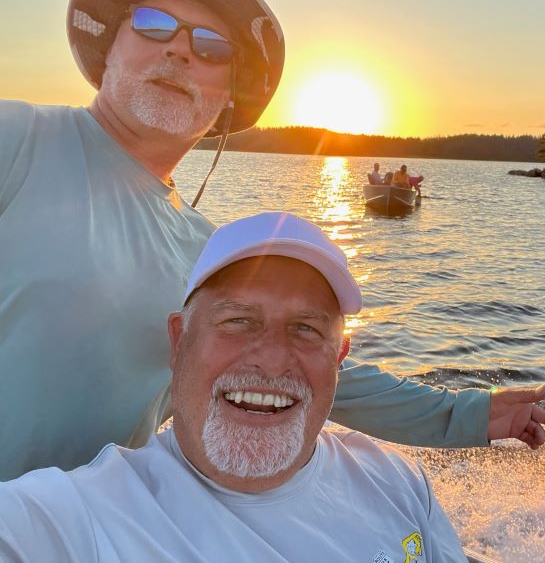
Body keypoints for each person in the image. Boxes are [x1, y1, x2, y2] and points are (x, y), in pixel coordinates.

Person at [0, 0, 545, 481]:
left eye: (211, 46)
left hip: (74, 533)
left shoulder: (205, 248)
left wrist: (465, 415)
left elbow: (295, 361)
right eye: (152, 24)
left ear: (228, 96)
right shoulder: (19, 138)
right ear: (110, 51)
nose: (178, 49)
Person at [0, 212, 468, 561]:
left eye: (306, 328)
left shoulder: (396, 482)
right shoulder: (77, 518)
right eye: (238, 320)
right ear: (179, 340)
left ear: (339, 357)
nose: (271, 358)